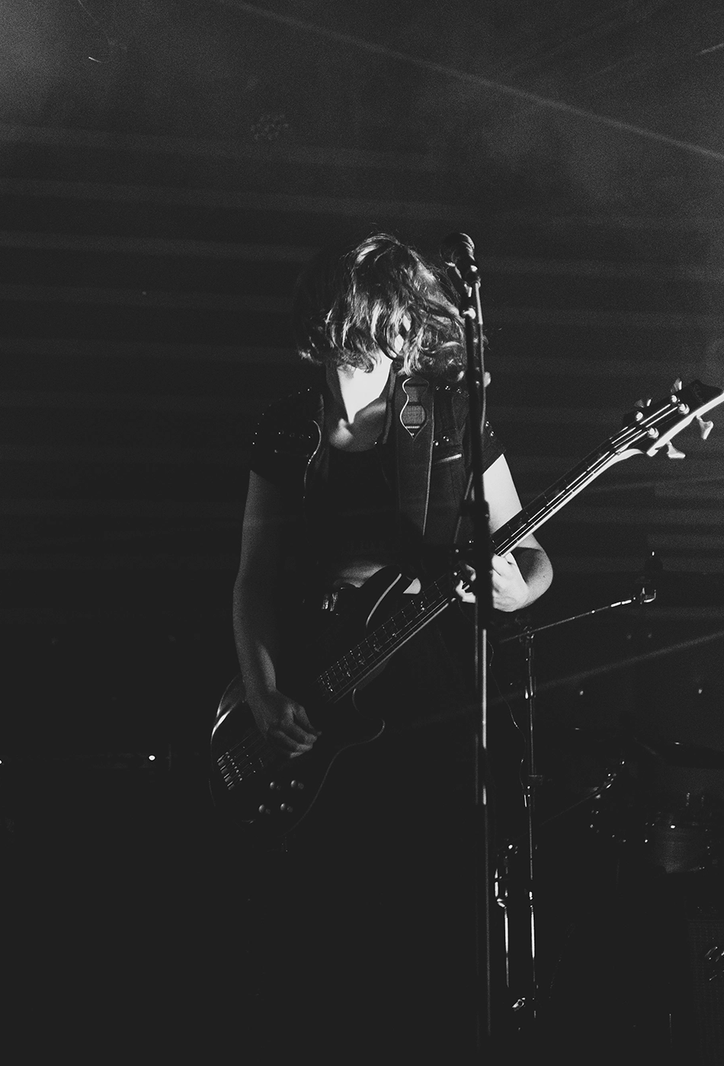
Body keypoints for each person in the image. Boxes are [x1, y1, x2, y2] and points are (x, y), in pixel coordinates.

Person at [229, 232, 551, 1053]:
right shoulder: (289, 426)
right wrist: (263, 695)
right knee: (317, 942)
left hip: (426, 698)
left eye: (379, 333)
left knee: (419, 929)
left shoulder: (447, 419)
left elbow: (532, 554)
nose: (362, 353)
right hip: (316, 697)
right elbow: (254, 580)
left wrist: (520, 588)